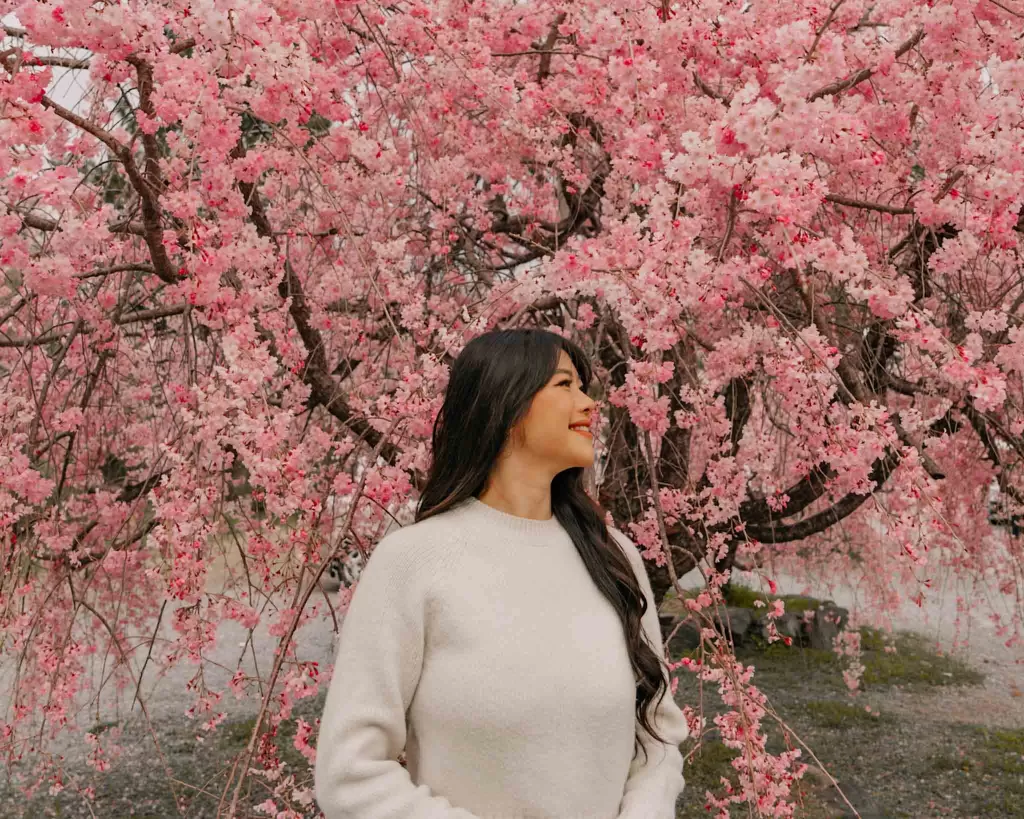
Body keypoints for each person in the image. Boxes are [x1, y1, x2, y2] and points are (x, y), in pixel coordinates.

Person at [313, 328, 689, 819]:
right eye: (564, 385)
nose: (589, 403)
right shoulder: (413, 562)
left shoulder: (613, 556)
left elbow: (657, 738)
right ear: (506, 404)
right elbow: (349, 772)